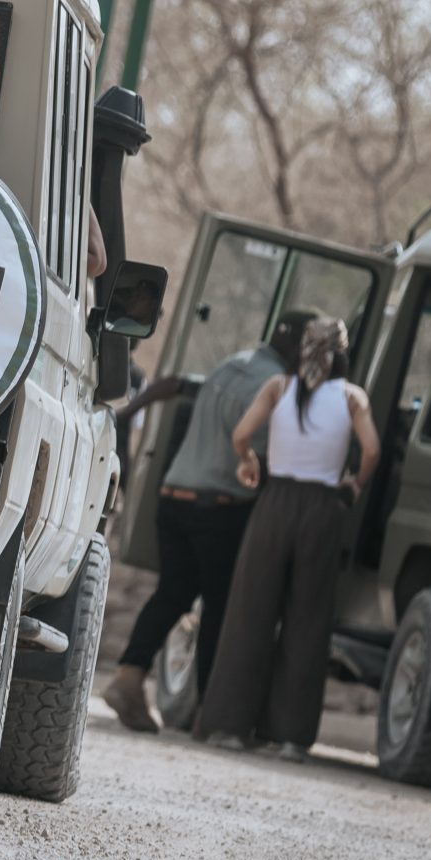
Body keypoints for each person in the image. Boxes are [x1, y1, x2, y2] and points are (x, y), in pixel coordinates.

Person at [102, 310, 315, 734]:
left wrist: (128, 413)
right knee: (220, 605)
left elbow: (177, 388)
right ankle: (207, 711)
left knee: (173, 593)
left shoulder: (230, 365)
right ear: (298, 349)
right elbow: (265, 453)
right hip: (219, 506)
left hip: (174, 496)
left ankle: (128, 677)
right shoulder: (274, 388)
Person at [195, 315, 381, 759]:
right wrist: (354, 485)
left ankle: (228, 726)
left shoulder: (279, 387)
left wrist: (248, 462)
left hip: (274, 504)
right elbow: (372, 450)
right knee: (307, 620)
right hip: (322, 509)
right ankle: (291, 738)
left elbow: (242, 434)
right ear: (342, 354)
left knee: (250, 612)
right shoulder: (352, 397)